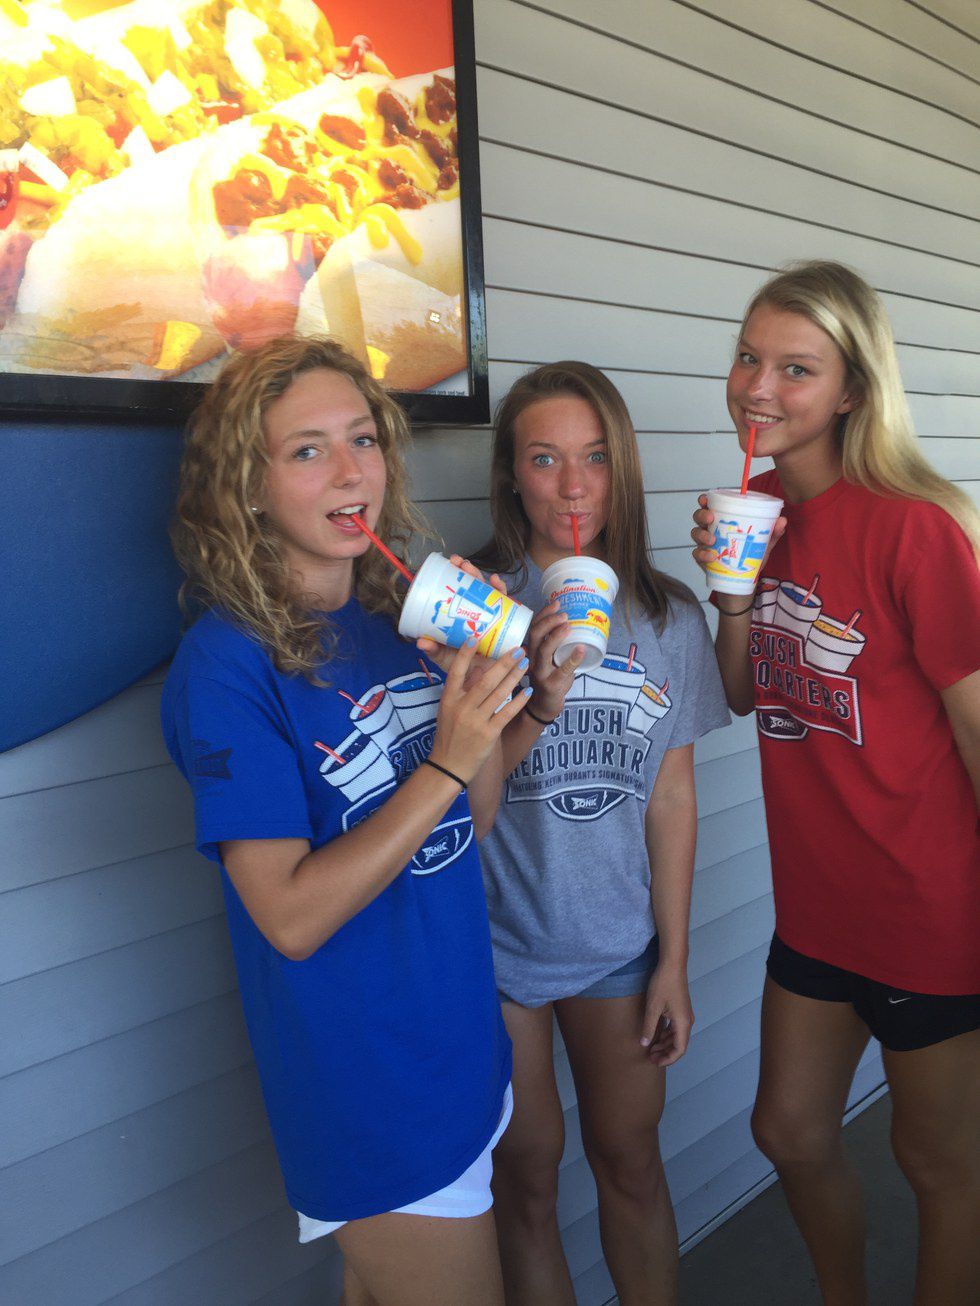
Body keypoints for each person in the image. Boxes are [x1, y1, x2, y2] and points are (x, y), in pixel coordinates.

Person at [161, 336, 534, 1306]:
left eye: (362, 439)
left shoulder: (396, 618)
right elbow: (288, 917)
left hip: (459, 1048)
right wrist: (445, 758)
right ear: (247, 485)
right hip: (372, 1088)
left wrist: (481, 700)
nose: (349, 470)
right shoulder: (225, 667)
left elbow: (476, 819)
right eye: (307, 449)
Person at [690, 261, 980, 1306]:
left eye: (795, 369)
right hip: (818, 904)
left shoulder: (915, 527)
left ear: (853, 388)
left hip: (927, 910)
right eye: (748, 357)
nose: (757, 387)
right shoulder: (758, 510)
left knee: (938, 1166)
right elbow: (739, 694)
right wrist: (731, 593)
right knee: (790, 1130)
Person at [468, 361, 730, 1305]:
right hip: (493, 950)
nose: (573, 486)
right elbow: (453, 796)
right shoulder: (475, 608)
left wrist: (674, 963)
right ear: (511, 476)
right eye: (544, 459)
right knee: (526, 1179)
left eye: (595, 458)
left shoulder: (667, 618)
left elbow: (671, 800)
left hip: (619, 944)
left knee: (630, 1160)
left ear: (623, 470)